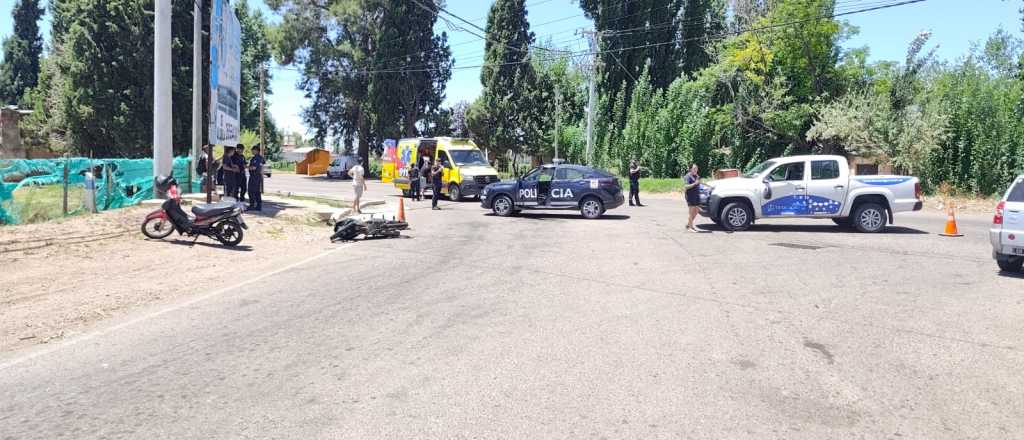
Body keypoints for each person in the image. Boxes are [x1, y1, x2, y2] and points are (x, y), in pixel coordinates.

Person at [683, 163, 702, 232]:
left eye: (696, 168)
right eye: (694, 168)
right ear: (690, 169)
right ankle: (690, 228)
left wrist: (710, 187)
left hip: (696, 195)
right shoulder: (687, 176)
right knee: (691, 212)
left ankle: (688, 224)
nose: (696, 170)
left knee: (697, 210)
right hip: (690, 195)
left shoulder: (696, 176)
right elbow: (686, 186)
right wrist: (695, 184)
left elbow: (700, 183)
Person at [247, 145, 265, 211]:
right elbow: (262, 166)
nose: (252, 151)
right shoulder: (261, 158)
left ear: (256, 151)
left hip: (254, 176)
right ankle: (258, 206)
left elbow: (254, 167)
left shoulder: (256, 158)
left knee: (251, 191)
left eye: (253, 150)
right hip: (258, 176)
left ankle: (252, 205)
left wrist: (246, 167)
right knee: (257, 191)